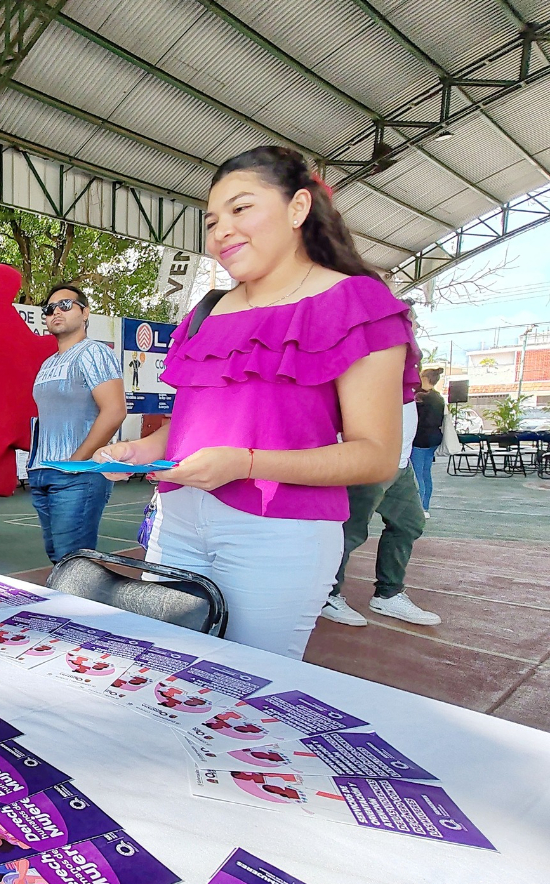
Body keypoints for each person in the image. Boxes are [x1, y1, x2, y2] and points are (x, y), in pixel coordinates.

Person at [95, 146, 418, 658]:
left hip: (277, 535)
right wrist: (137, 451)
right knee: (163, 673)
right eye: (212, 220)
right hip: (175, 523)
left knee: (248, 692)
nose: (222, 229)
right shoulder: (207, 311)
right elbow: (186, 425)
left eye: (241, 209)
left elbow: (376, 454)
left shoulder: (357, 305)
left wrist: (244, 464)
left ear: (298, 209)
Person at [27, 283, 126, 563]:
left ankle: (88, 606)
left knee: (73, 563)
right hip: (42, 472)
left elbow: (115, 410)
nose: (56, 311)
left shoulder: (94, 352)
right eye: (49, 309)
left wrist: (76, 461)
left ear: (85, 313)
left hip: (78, 473)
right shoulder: (47, 364)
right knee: (59, 559)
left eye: (65, 305)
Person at [321, 403, 442, 628]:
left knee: (409, 523)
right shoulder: (380, 366)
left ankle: (388, 594)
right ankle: (326, 595)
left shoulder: (406, 371)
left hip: (400, 462)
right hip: (369, 462)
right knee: (350, 532)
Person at [412, 366, 445, 518]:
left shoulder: (420, 398)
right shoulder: (438, 398)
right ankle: (425, 506)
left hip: (420, 439)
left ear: (425, 379)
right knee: (426, 473)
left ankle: (419, 508)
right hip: (434, 439)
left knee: (417, 474)